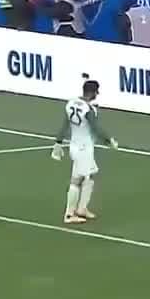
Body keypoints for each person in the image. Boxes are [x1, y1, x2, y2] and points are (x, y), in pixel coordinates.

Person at [51, 80, 119, 225]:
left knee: (90, 174)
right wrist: (109, 140)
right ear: (92, 92)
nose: (97, 95)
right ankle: (69, 214)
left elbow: (65, 125)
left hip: (75, 145)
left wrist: (58, 142)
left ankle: (82, 208)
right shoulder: (88, 109)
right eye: (96, 92)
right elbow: (95, 128)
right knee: (77, 180)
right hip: (84, 148)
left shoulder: (71, 104)